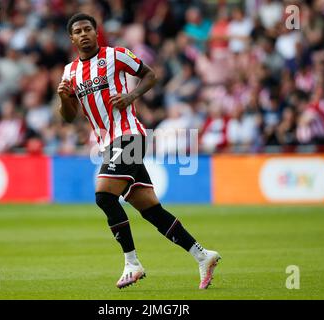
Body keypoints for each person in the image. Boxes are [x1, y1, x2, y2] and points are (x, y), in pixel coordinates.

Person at [57, 13, 220, 289]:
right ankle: (202, 255)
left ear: (97, 33)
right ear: (72, 38)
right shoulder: (69, 72)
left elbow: (150, 75)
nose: (83, 34)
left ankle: (132, 264)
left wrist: (131, 97)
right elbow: (70, 117)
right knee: (151, 210)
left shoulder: (116, 55)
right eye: (78, 31)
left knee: (103, 195)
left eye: (88, 29)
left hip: (130, 135)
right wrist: (64, 99)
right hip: (108, 142)